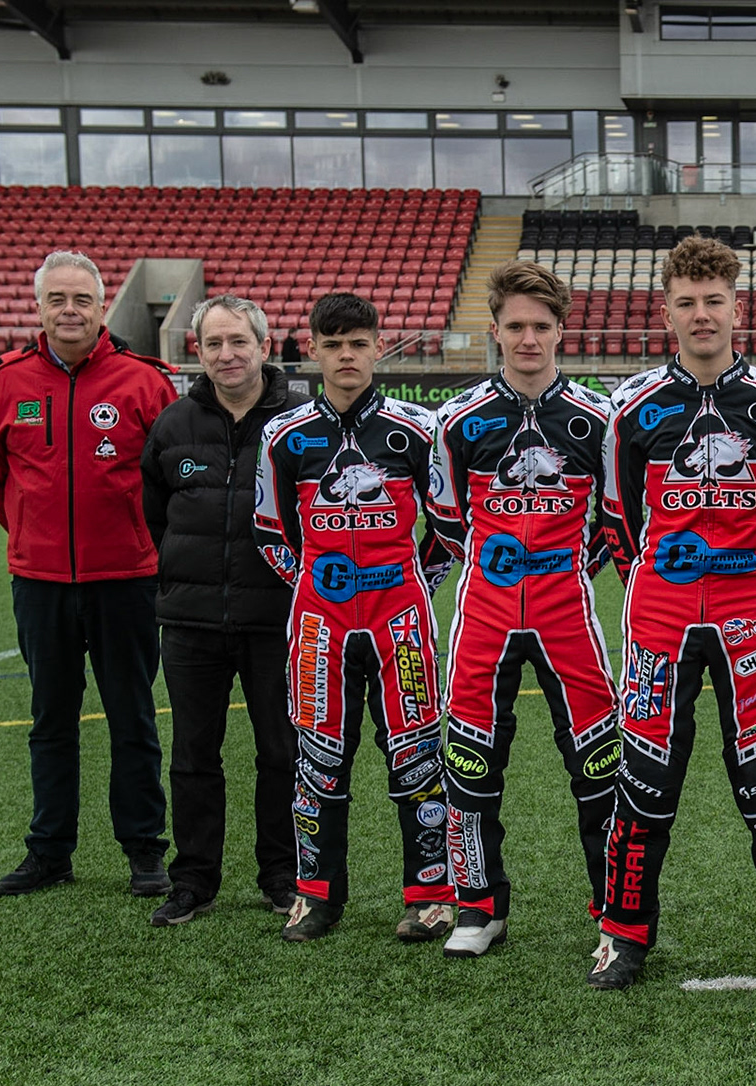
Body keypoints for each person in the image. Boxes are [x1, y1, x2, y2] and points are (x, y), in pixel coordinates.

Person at [590, 236, 756, 988]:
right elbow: (616, 522)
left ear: (737, 308)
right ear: (666, 311)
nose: (702, 315)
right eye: (688, 302)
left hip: (751, 615)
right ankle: (624, 936)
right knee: (646, 779)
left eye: (715, 301)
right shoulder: (632, 408)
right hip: (660, 617)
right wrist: (658, 582)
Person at [427, 262, 621, 959]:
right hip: (484, 612)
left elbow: (618, 516)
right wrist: (497, 563)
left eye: (541, 326)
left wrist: (573, 564)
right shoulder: (457, 420)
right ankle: (478, 908)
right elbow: (446, 518)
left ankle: (612, 912)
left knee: (598, 764)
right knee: (471, 761)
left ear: (561, 331)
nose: (529, 338)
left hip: (569, 611)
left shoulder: (597, 418)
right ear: (496, 331)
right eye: (516, 326)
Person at [0, 250, 177, 898]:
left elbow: (171, 480)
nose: (69, 310)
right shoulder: (3, 383)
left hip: (127, 583)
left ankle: (145, 849)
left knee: (133, 717)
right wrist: (37, 538)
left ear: (100, 306)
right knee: (50, 722)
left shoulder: (146, 382)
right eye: (57, 299)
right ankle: (49, 851)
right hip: (40, 586)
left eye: (81, 299)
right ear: (39, 307)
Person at [254, 292, 455, 943]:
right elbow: (270, 532)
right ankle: (316, 897)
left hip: (401, 624)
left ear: (377, 347)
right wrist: (314, 585)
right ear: (312, 348)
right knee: (318, 757)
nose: (346, 354)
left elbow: (448, 527)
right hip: (320, 626)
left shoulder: (417, 429)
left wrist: (415, 582)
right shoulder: (283, 435)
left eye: (358, 342)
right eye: (333, 343)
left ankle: (430, 895)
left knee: (417, 756)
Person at [140, 294, 307, 924]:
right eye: (213, 343)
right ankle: (194, 880)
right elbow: (155, 514)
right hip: (189, 622)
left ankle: (281, 875)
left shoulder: (300, 419)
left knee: (279, 751)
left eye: (238, 341)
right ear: (198, 351)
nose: (226, 354)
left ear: (264, 346)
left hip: (278, 618)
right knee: (192, 755)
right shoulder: (175, 423)